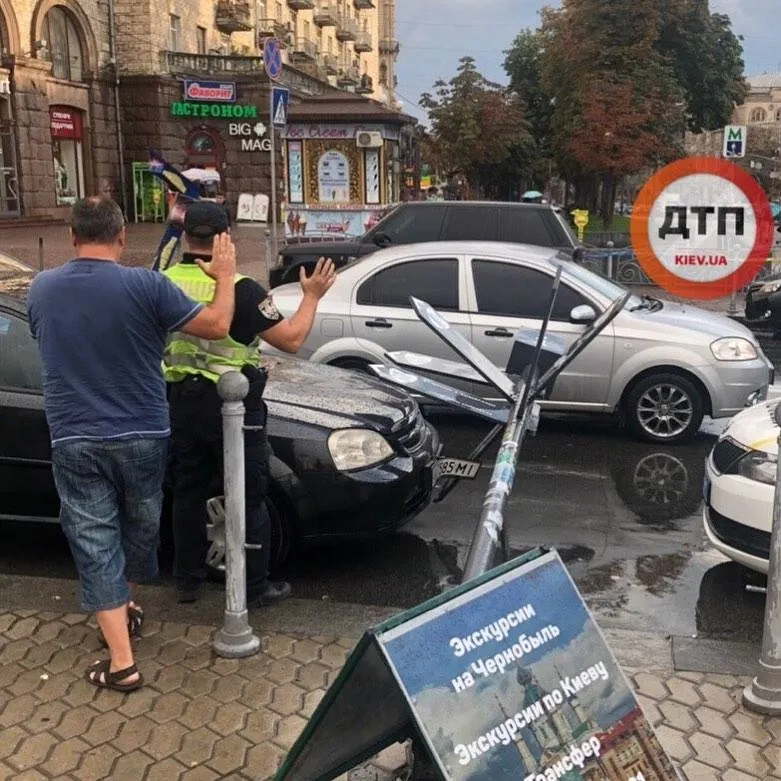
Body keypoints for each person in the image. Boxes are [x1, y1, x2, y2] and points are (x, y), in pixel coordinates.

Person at [27, 196, 237, 693]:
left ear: (72, 237)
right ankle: (124, 644)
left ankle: (121, 642)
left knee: (95, 539)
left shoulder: (43, 288)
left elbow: (45, 339)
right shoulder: (148, 285)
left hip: (76, 434)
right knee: (139, 527)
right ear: (122, 236)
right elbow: (218, 327)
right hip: (144, 432)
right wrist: (226, 277)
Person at [163, 202, 336, 605]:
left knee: (187, 491)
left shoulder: (164, 282)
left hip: (181, 402)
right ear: (226, 239)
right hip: (233, 409)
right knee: (247, 491)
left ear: (187, 236)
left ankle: (187, 581)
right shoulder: (242, 289)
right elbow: (291, 339)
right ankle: (254, 586)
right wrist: (312, 296)